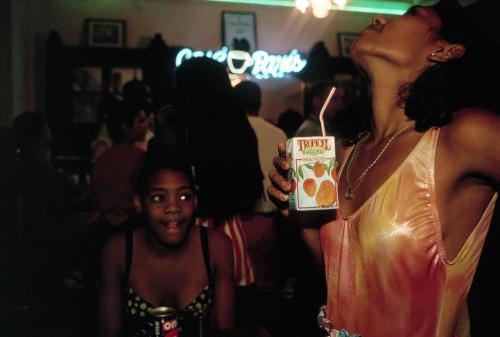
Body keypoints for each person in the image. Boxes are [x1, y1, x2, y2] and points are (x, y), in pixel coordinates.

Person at [267, 1, 500, 337]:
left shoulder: (462, 137)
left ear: (444, 51)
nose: (376, 16)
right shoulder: (345, 152)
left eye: (412, 14)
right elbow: (348, 285)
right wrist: (300, 218)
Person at [99, 154, 235, 337]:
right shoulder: (118, 251)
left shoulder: (216, 247)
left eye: (184, 196)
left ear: (195, 201)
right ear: (139, 203)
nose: (173, 207)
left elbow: (226, 332)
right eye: (158, 198)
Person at [174, 57, 264, 288]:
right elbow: (252, 188)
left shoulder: (177, 132)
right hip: (229, 230)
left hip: (178, 233)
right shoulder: (239, 128)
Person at [233, 80, 287, 286]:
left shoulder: (230, 132)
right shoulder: (278, 134)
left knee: (237, 285)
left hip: (237, 219)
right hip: (269, 220)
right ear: (260, 103)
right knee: (265, 287)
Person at [91, 102, 150, 226]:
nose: (146, 125)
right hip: (129, 223)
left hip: (104, 223)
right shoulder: (139, 157)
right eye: (141, 121)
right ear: (125, 127)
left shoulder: (103, 158)